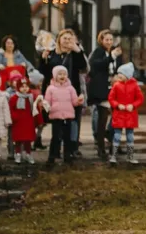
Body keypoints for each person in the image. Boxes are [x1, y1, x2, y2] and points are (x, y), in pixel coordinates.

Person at [45, 29, 88, 157]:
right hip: (55, 94)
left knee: (73, 123)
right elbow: (46, 72)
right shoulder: (52, 54)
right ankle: (55, 151)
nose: (67, 41)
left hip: (72, 92)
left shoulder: (76, 53)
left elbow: (83, 67)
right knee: (57, 125)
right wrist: (43, 59)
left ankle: (72, 149)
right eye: (65, 38)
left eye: (70, 39)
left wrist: (78, 50)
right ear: (59, 40)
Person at [87, 29, 122, 160]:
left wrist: (118, 75)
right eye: (106, 39)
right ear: (101, 40)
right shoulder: (99, 52)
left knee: (118, 116)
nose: (109, 42)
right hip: (102, 89)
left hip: (115, 88)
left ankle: (113, 141)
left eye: (111, 39)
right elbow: (95, 66)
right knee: (102, 118)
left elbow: (120, 67)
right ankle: (101, 147)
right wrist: (110, 57)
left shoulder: (115, 52)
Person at [43, 65, 82, 165]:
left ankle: (67, 157)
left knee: (67, 138)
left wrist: (79, 101)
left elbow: (74, 102)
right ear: (55, 75)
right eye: (60, 74)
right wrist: (44, 105)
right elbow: (47, 102)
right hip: (56, 117)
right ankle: (52, 157)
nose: (62, 76)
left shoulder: (70, 88)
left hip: (68, 116)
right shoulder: (50, 89)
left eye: (64, 74)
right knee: (56, 137)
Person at [107, 62, 143, 165]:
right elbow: (111, 98)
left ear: (127, 75)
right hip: (119, 114)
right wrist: (117, 105)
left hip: (130, 115)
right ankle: (113, 156)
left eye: (121, 73)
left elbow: (140, 98)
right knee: (117, 136)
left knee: (130, 136)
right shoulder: (116, 85)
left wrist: (133, 105)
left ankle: (130, 156)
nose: (118, 75)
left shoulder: (135, 86)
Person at [8, 76, 39, 164]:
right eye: (22, 87)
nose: (24, 89)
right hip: (18, 122)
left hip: (28, 121)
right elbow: (11, 108)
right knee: (18, 139)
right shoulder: (14, 98)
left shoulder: (31, 97)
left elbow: (34, 108)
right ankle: (18, 153)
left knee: (27, 139)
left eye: (26, 86)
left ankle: (28, 154)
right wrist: (14, 117)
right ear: (18, 87)